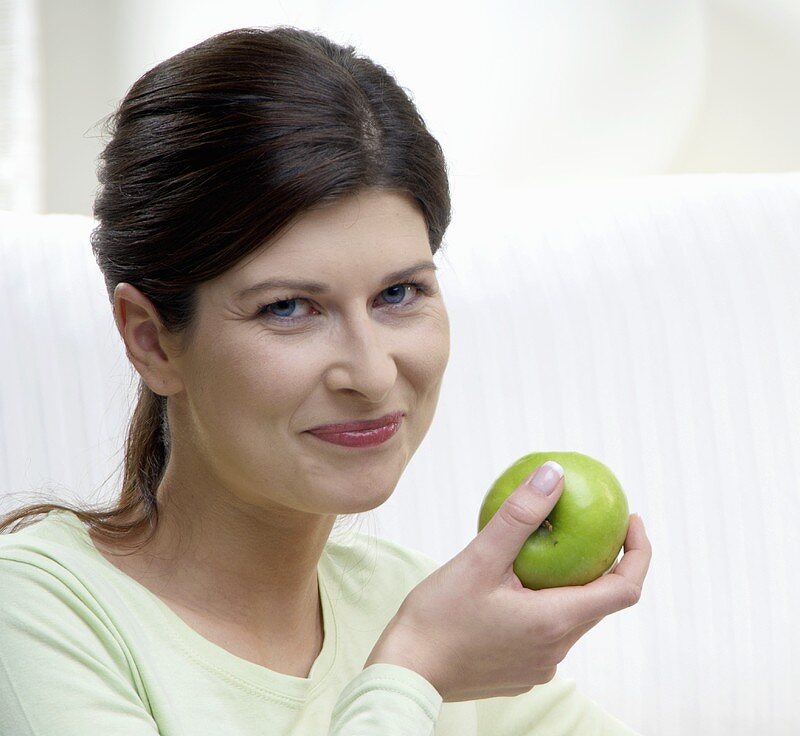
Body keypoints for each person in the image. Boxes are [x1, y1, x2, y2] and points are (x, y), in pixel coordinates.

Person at [0, 26, 652, 735]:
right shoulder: (36, 611)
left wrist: (423, 650)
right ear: (151, 340)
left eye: (399, 294)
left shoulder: (413, 602)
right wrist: (413, 672)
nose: (372, 376)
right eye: (288, 308)